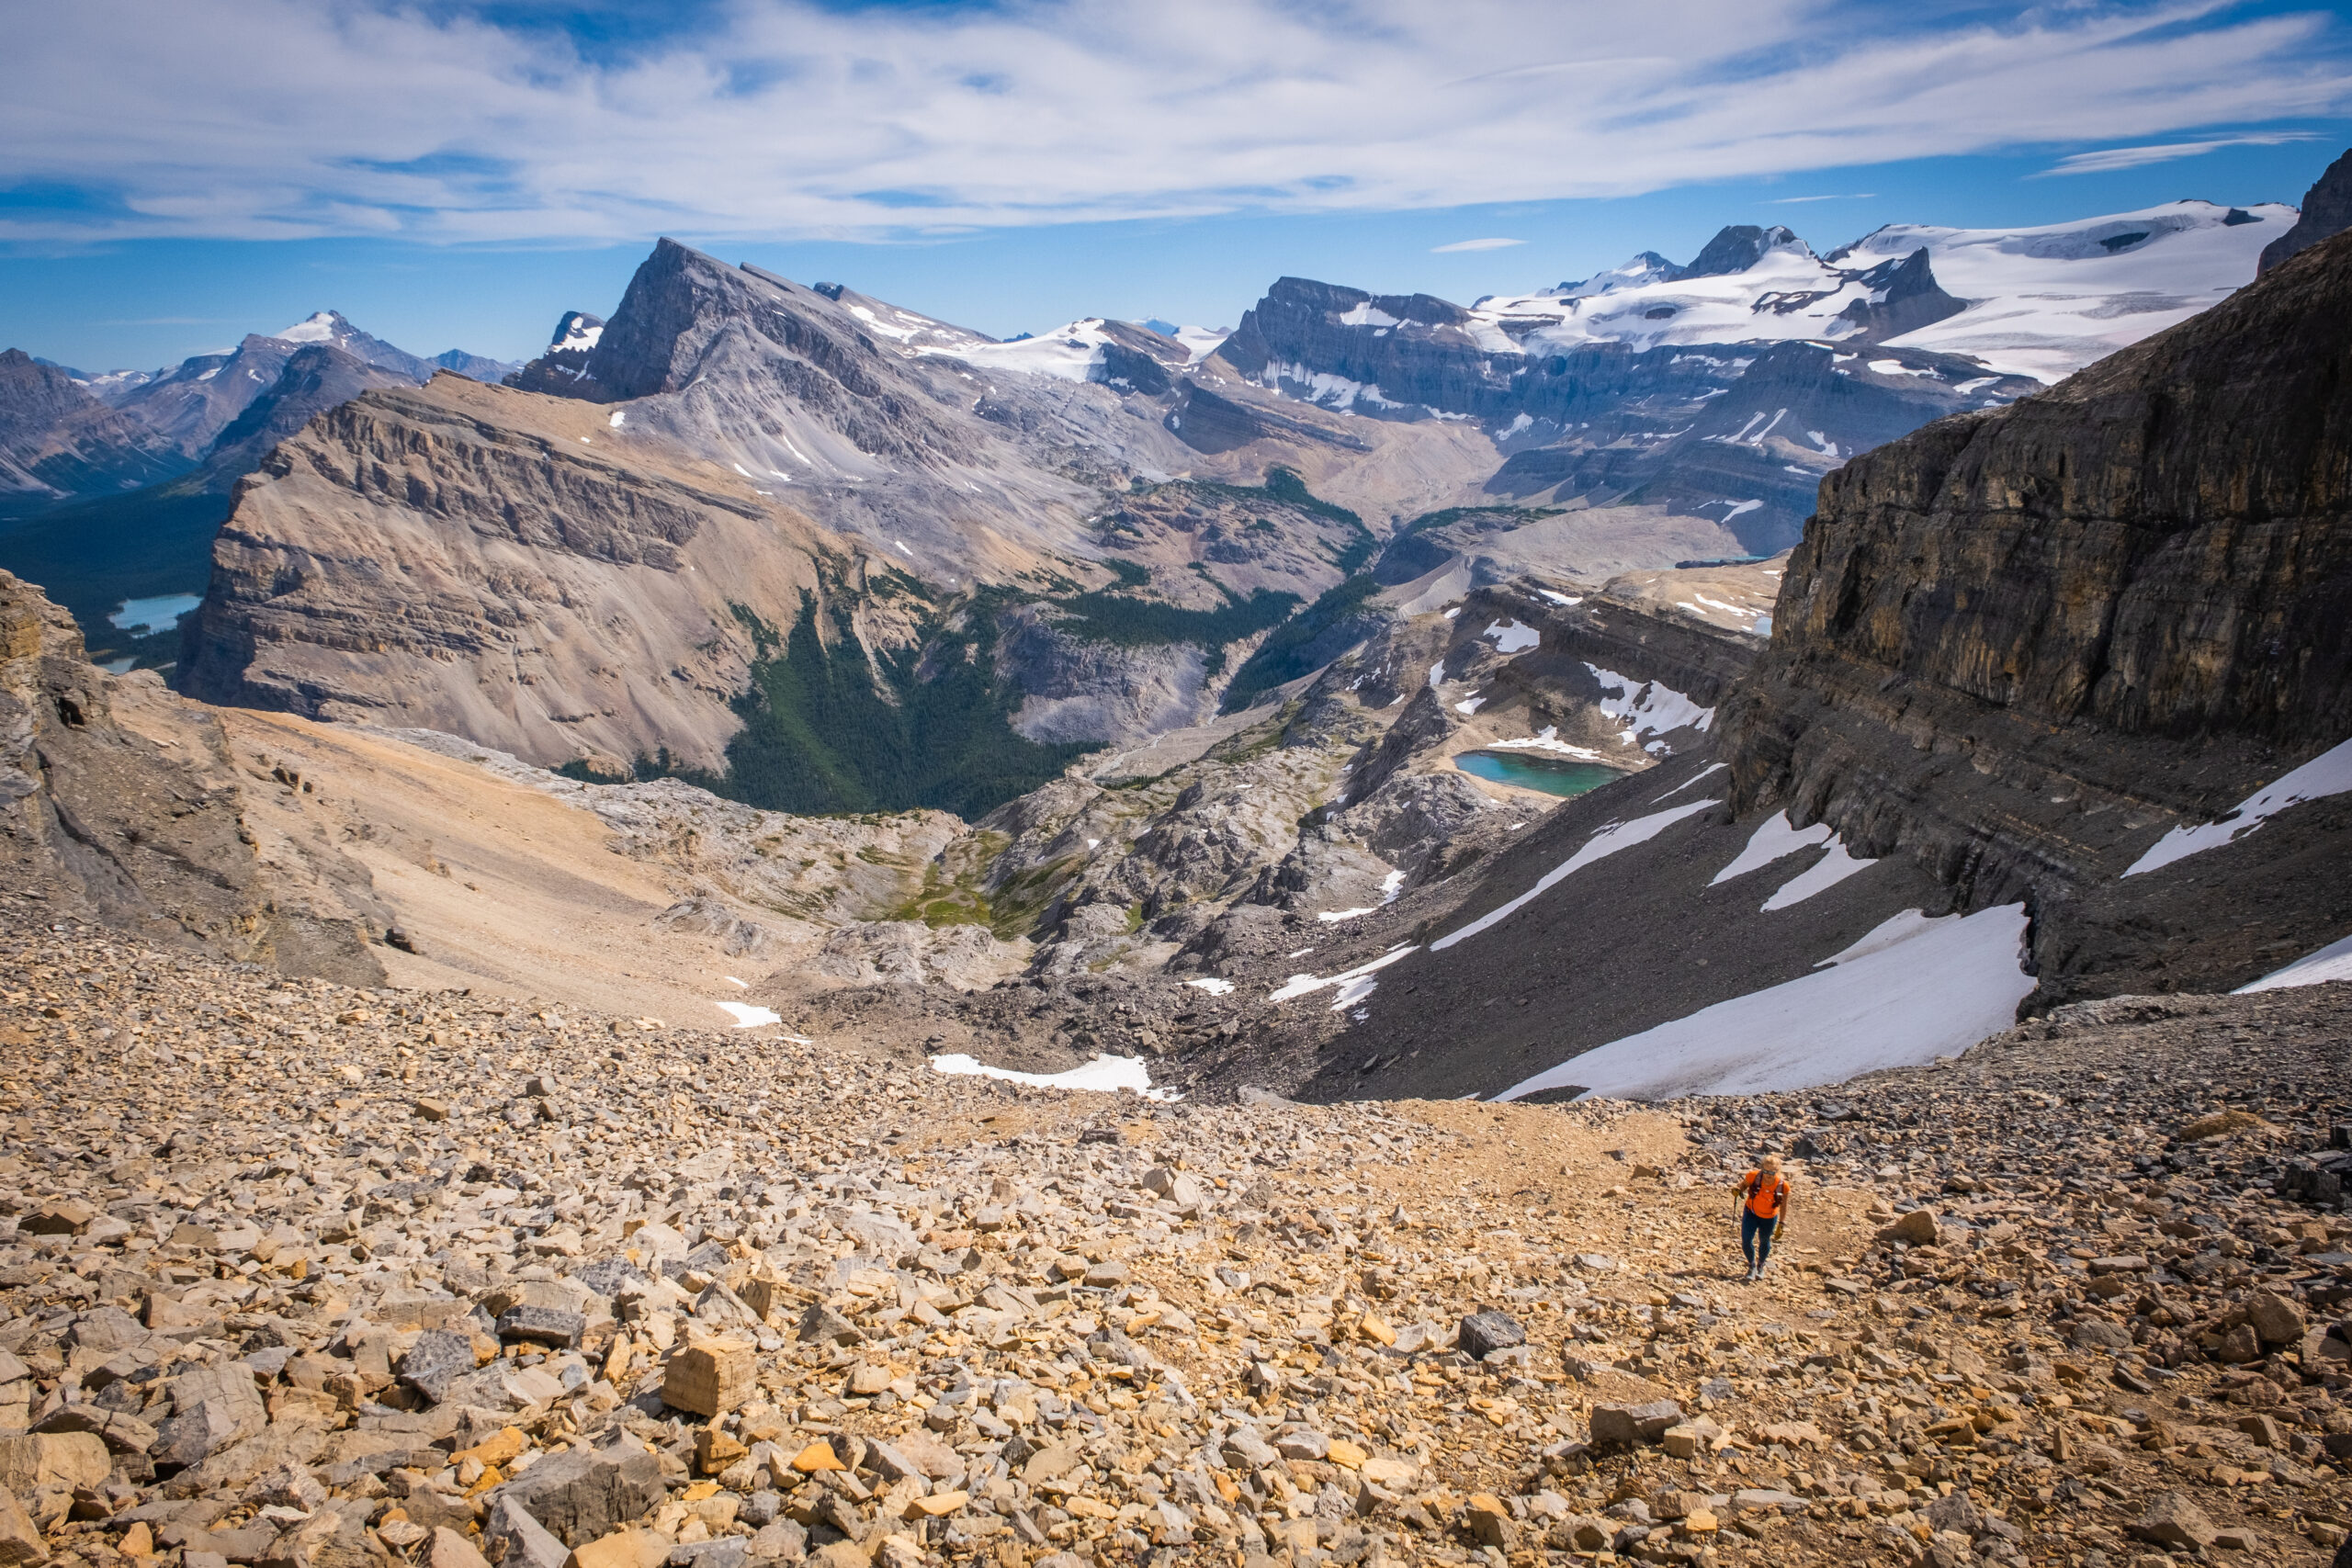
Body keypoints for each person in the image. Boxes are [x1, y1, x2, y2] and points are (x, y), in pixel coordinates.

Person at [1736, 1155, 1790, 1282]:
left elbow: (1783, 1206)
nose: (1768, 1175)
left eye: (1772, 1172)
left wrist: (1781, 1224)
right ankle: (1752, 1266)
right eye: (1765, 1171)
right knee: (1746, 1240)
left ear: (1777, 1171)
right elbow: (1743, 1185)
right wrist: (1738, 1190)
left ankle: (1761, 1265)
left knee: (1764, 1241)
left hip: (1769, 1217)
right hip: (1751, 1213)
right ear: (1762, 1169)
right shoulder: (1753, 1176)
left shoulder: (1783, 1186)